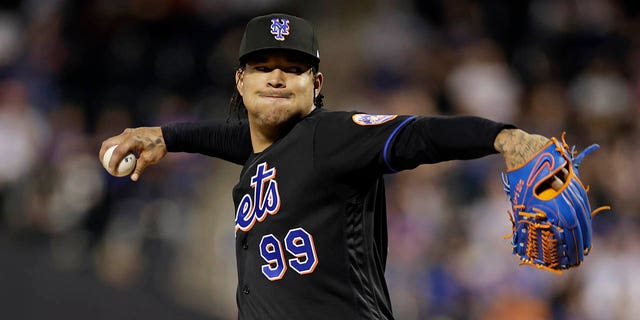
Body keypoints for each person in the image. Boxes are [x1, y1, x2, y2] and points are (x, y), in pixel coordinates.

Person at [100, 13, 549, 320]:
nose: (277, 78)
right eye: (263, 67)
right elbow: (239, 139)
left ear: (315, 84)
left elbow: (419, 135)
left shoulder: (332, 135)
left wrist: (502, 136)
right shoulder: (266, 151)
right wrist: (167, 136)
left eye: (292, 69)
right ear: (240, 80)